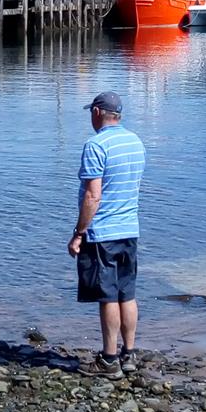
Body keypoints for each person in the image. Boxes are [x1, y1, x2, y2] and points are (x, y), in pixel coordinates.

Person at [68, 91, 146, 379]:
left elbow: (93, 195)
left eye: (92, 112)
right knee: (128, 293)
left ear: (99, 113)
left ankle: (109, 358)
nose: (91, 117)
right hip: (130, 229)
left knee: (108, 295)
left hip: (103, 232)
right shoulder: (136, 142)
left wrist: (79, 233)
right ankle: (129, 354)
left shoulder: (96, 145)